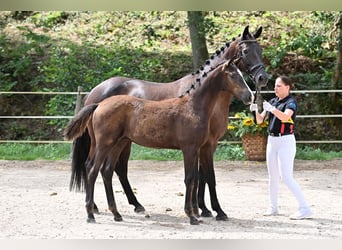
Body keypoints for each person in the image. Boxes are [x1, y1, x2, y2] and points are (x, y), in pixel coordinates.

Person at [250, 75, 312, 220]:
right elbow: (260, 121)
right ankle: (273, 207)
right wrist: (254, 109)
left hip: (286, 141)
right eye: (275, 86)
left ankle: (305, 207)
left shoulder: (291, 102)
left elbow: (286, 117)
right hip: (272, 140)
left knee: (287, 177)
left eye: (279, 86)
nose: (275, 88)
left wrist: (272, 109)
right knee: (273, 177)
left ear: (287, 87)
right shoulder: (273, 101)